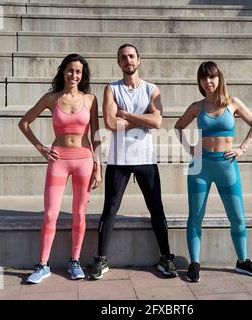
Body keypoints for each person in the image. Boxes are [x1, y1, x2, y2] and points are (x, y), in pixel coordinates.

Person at [88, 44, 178, 280]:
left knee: (156, 208)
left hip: (145, 158)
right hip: (119, 159)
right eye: (123, 57)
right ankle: (101, 260)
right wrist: (144, 119)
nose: (128, 60)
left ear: (139, 60)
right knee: (110, 209)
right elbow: (109, 123)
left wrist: (126, 115)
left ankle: (166, 258)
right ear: (119, 63)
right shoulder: (111, 89)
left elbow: (157, 122)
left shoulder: (151, 89)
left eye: (131, 56)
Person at [174, 61, 252, 283]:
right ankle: (194, 264)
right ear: (199, 82)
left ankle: (243, 261)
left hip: (226, 166)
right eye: (203, 78)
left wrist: (242, 148)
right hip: (200, 167)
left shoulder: (232, 103)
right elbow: (178, 127)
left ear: (219, 78)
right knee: (195, 217)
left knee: (237, 217)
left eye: (211, 77)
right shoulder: (197, 106)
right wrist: (189, 148)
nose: (208, 82)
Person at [18, 53, 102, 284]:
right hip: (59, 160)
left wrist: (99, 167)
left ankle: (74, 261)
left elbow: (95, 135)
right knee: (50, 213)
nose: (74, 75)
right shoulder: (51, 98)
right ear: (62, 72)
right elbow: (24, 123)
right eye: (70, 70)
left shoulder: (91, 99)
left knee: (80, 213)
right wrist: (41, 148)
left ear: (82, 75)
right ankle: (43, 264)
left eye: (78, 71)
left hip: (84, 160)